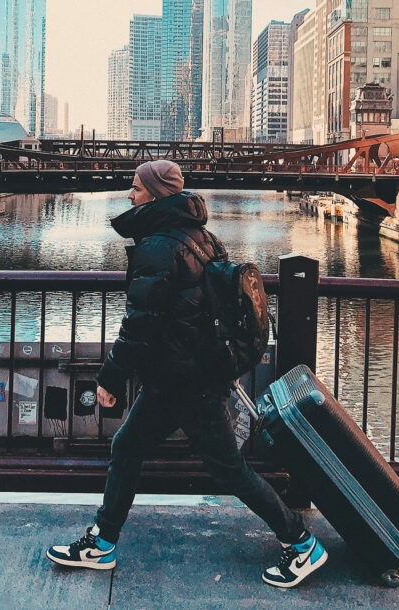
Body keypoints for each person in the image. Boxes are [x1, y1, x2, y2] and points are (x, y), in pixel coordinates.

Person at [46, 160, 328, 588]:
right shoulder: (203, 238)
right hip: (184, 377)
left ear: (156, 196)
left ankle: (302, 543)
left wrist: (109, 377)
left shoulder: (159, 246)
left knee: (227, 469)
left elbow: (141, 322)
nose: (129, 195)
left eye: (136, 189)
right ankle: (103, 542)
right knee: (128, 448)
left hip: (186, 382)